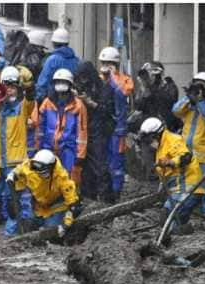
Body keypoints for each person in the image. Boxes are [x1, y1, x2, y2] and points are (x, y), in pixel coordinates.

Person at [0, 65, 35, 236]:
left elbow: (32, 98)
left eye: (13, 87)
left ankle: (12, 233)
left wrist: (27, 82)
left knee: (14, 200)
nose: (10, 91)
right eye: (7, 86)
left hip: (16, 163)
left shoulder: (23, 107)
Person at [139, 117, 205, 230]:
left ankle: (186, 231)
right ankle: (183, 229)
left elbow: (186, 157)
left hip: (188, 188)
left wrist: (171, 162)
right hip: (177, 191)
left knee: (169, 225)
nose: (149, 143)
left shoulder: (173, 140)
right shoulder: (161, 147)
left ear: (156, 135)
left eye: (149, 140)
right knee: (164, 219)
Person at [172, 71, 205, 214]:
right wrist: (189, 97)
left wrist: (201, 102)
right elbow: (175, 110)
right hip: (187, 152)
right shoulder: (189, 104)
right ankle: (185, 212)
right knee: (186, 182)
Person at [5, 149, 80, 237]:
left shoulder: (62, 178)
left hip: (55, 208)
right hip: (38, 206)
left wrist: (66, 224)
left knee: (51, 232)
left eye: (42, 172)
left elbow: (72, 203)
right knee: (29, 225)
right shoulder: (29, 167)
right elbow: (19, 171)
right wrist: (13, 176)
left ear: (50, 168)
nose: (38, 174)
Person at [32, 68, 88, 186]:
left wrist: (80, 154)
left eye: (64, 81)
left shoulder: (78, 105)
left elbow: (82, 131)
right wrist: (38, 146)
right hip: (48, 146)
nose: (61, 84)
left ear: (70, 84)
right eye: (58, 81)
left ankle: (71, 201)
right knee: (49, 177)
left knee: (69, 176)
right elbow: (40, 127)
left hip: (69, 147)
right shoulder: (47, 102)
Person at [130, 61, 180, 181]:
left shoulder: (169, 85)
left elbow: (170, 101)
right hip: (149, 130)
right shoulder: (146, 88)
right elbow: (139, 106)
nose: (148, 78)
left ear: (158, 74)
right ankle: (152, 182)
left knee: (165, 162)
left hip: (166, 129)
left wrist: (155, 87)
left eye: (151, 74)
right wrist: (144, 89)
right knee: (149, 161)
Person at [98, 46, 134, 203]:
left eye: (109, 63)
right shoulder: (98, 80)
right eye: (103, 63)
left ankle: (115, 194)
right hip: (102, 128)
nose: (105, 66)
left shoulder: (125, 80)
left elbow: (122, 94)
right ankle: (103, 193)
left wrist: (112, 79)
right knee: (102, 161)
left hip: (117, 130)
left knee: (116, 163)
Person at [75, 61, 115, 201]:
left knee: (100, 165)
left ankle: (106, 198)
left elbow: (108, 110)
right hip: (84, 130)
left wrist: (90, 102)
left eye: (84, 78)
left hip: (98, 129)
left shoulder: (104, 88)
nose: (82, 81)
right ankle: (88, 197)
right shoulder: (80, 85)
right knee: (85, 168)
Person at [34, 28, 79, 103]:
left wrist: (38, 99)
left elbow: (43, 83)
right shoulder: (76, 60)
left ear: (53, 43)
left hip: (53, 101)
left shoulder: (51, 60)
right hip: (71, 100)